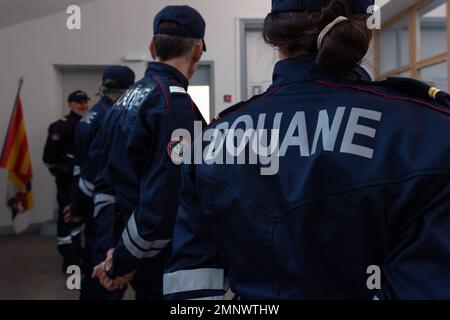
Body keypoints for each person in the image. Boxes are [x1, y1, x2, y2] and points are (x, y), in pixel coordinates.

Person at [163, 0, 450, 300]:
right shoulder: (430, 132)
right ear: (367, 32)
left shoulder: (212, 141)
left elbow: (190, 287)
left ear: (273, 34)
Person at [91, 5, 207, 300]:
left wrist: (114, 252)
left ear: (152, 46)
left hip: (128, 242)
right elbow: (165, 200)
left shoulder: (126, 97)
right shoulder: (176, 107)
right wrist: (121, 261)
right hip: (161, 253)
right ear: (197, 51)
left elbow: (104, 180)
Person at [69, 66, 135, 300]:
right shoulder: (113, 117)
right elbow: (97, 168)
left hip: (89, 203)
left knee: (91, 270)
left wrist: (77, 205)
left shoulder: (92, 115)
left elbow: (81, 168)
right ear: (129, 89)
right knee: (107, 277)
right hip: (107, 209)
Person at [43, 90, 89, 272]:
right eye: (78, 102)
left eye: (85, 101)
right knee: (66, 219)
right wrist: (65, 172)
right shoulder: (60, 126)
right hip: (67, 183)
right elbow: (49, 159)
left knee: (78, 218)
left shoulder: (89, 123)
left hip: (83, 183)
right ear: (70, 104)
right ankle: (68, 258)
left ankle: (77, 251)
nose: (83, 105)